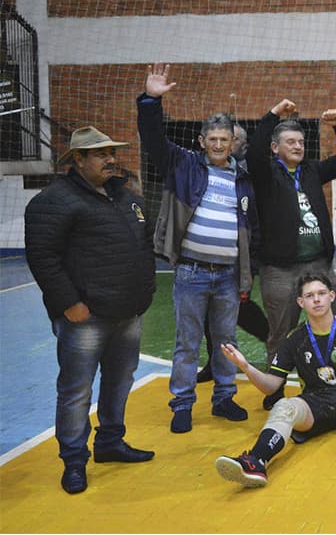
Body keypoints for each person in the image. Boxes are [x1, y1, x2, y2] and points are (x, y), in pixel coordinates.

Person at [25, 126, 156, 494]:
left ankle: (111, 442)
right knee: (76, 390)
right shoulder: (53, 201)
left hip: (128, 312)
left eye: (111, 152)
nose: (110, 159)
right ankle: (74, 460)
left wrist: (145, 292)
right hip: (85, 318)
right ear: (78, 159)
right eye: (100, 154)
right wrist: (69, 303)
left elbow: (144, 248)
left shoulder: (127, 198)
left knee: (120, 381)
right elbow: (43, 258)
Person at [137, 63, 256, 433]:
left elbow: (247, 231)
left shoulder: (243, 177)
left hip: (227, 276)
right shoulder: (183, 165)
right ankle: (183, 404)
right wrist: (151, 101)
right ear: (202, 141)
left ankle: (223, 399)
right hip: (191, 272)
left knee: (226, 341)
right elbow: (153, 137)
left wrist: (245, 278)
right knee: (186, 342)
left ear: (233, 142)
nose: (220, 145)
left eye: (226, 140)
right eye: (214, 139)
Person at [215, 274, 336, 488]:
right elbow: (271, 386)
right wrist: (246, 367)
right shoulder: (294, 339)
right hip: (313, 404)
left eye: (321, 294)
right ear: (301, 303)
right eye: (310, 296)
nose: (317, 300)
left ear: (332, 296)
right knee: (284, 405)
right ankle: (255, 461)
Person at [247, 98, 336, 409]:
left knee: (330, 327)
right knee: (280, 333)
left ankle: (333, 384)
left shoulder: (310, 171)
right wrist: (272, 115)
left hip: (319, 265)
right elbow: (254, 152)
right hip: (279, 270)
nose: (297, 146)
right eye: (290, 142)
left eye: (300, 141)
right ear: (275, 148)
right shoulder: (265, 174)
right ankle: (275, 391)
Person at [197, 121, 269, 384]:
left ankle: (272, 340)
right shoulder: (207, 170)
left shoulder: (249, 175)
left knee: (241, 306)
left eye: (232, 139)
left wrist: (250, 262)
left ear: (243, 145)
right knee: (210, 311)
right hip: (213, 257)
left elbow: (254, 222)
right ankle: (215, 362)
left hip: (243, 255)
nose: (224, 144)